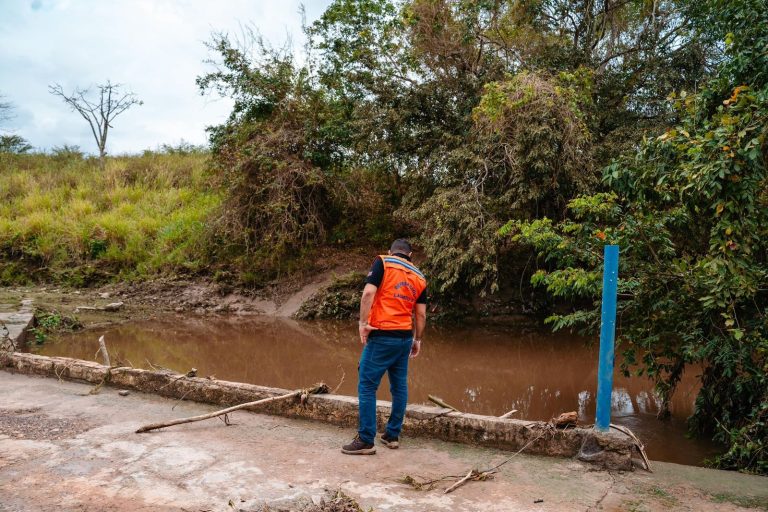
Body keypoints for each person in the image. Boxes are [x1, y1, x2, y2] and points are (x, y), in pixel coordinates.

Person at [342, 239, 427, 455]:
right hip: (404, 338)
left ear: (391, 251)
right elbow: (421, 314)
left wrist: (362, 324)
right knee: (399, 387)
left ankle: (366, 439)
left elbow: (368, 294)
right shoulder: (419, 276)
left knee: (367, 385)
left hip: (382, 335)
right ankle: (392, 435)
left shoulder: (383, 262)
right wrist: (417, 340)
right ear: (410, 255)